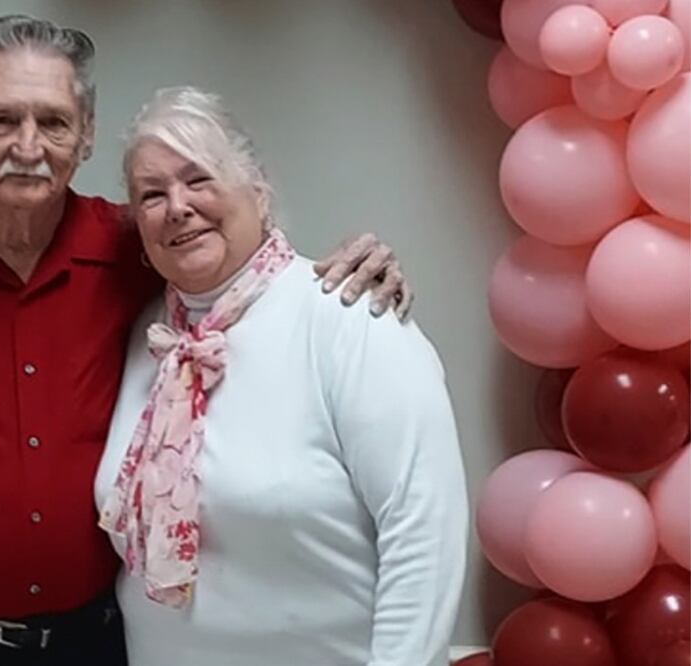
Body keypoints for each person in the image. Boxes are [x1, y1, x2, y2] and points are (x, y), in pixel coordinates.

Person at [0, 16, 415, 666]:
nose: (29, 145)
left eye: (54, 121)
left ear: (87, 134)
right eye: (2, 120)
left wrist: (351, 269)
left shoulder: (139, 247)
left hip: (102, 639)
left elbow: (242, 273)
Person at [95, 86, 468, 666]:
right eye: (151, 194)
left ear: (258, 187)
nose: (177, 206)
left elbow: (424, 532)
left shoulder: (348, 316)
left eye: (199, 179)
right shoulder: (146, 335)